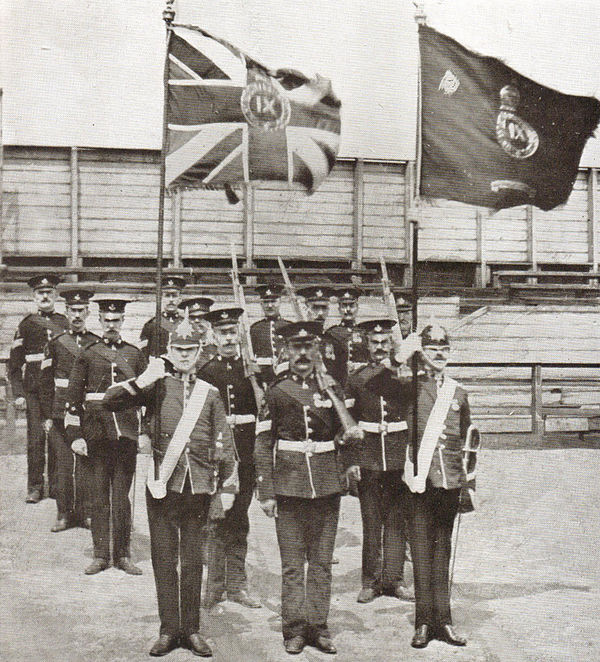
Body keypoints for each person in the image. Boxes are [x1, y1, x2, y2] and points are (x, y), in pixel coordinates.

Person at [103, 316, 238, 658]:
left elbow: (223, 440)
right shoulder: (157, 386)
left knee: (193, 560)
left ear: (198, 352)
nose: (183, 356)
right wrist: (143, 380)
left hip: (199, 485)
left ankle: (190, 630)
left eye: (189, 350)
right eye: (177, 349)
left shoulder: (209, 393)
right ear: (169, 352)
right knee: (164, 559)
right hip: (163, 483)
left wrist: (225, 486)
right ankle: (168, 629)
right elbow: (111, 401)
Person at [254, 321, 357, 656]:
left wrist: (346, 454)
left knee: (322, 562)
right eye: (295, 348)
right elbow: (263, 443)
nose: (301, 354)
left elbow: (347, 435)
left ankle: (319, 625)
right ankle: (295, 627)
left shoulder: (332, 389)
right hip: (289, 486)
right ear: (285, 352)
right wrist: (266, 492)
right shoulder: (276, 390)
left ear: (316, 350)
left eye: (307, 347)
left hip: (326, 485)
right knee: (293, 565)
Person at [400, 324, 471, 649]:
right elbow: (381, 383)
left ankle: (444, 621)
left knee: (443, 552)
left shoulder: (458, 392)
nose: (439, 353)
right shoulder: (409, 385)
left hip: (449, 483)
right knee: (422, 553)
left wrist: (467, 488)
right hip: (419, 482)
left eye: (444, 347)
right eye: (432, 347)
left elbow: (468, 443)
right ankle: (424, 622)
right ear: (422, 352)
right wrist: (403, 353)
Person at [65, 297, 146, 576]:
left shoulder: (135, 355)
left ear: (123, 321)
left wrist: (144, 433)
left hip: (125, 434)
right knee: (99, 497)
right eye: (107, 321)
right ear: (99, 321)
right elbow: (73, 398)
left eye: (116, 320)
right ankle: (101, 554)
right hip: (96, 434)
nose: (111, 325)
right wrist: (75, 435)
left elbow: (147, 397)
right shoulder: (88, 353)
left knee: (122, 498)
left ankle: (123, 554)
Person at [345, 319, 413, 603]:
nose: (380, 347)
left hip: (398, 455)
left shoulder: (405, 375)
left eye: (385, 342)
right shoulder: (357, 378)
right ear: (366, 345)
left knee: (397, 521)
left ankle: (394, 579)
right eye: (375, 343)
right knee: (371, 522)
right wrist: (351, 460)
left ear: (392, 344)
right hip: (369, 456)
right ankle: (371, 581)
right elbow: (347, 423)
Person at [199, 307, 261, 610]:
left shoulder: (252, 370)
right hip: (219, 455)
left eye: (232, 331)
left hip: (247, 453)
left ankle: (237, 585)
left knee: (240, 519)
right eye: (222, 332)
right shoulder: (206, 371)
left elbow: (264, 413)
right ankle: (214, 587)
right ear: (213, 335)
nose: (228, 337)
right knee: (216, 519)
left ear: (239, 334)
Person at [39, 289, 99, 532]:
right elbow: (45, 382)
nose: (76, 315)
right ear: (66, 312)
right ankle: (63, 513)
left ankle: (86, 513)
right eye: (72, 310)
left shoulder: (95, 343)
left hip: (86, 413)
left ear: (88, 312)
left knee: (87, 464)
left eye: (81, 310)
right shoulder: (55, 344)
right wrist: (45, 416)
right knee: (63, 465)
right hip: (60, 413)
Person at [8, 274, 68, 503]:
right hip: (33, 391)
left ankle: (54, 485)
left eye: (49, 292)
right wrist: (19, 393)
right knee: (35, 440)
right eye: (40, 293)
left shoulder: (64, 323)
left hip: (56, 391)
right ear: (34, 296)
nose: (45, 296)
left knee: (55, 437)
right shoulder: (26, 325)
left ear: (55, 295)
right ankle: (34, 487)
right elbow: (15, 365)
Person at [322, 287, 369, 386]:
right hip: (341, 384)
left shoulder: (365, 332)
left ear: (357, 307)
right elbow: (329, 365)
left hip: (362, 383)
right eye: (344, 306)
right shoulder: (332, 334)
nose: (348, 310)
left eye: (351, 305)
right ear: (339, 308)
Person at [249, 283, 291, 387]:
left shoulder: (290, 327)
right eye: (266, 302)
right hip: (264, 379)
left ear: (280, 302)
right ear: (261, 304)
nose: (270, 305)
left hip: (286, 377)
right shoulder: (255, 328)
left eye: (273, 301)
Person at [139, 276, 186, 359]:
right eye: (167, 296)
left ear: (180, 299)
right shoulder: (151, 325)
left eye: (174, 296)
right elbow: (144, 355)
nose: (171, 300)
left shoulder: (186, 324)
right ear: (161, 298)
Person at [177, 296, 215, 369]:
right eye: (192, 317)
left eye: (201, 317)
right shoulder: (180, 347)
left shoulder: (218, 345)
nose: (197, 320)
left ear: (209, 319)